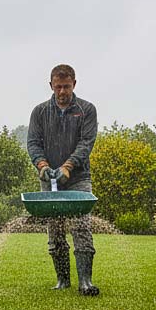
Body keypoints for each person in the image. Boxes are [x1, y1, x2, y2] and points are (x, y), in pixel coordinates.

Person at [26, 63, 99, 295]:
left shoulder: (87, 110)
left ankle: (85, 281)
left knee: (81, 228)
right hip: (50, 180)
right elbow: (33, 143)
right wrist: (42, 165)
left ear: (74, 84)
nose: (62, 92)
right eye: (58, 87)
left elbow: (86, 143)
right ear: (51, 86)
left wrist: (68, 166)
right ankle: (63, 279)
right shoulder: (40, 112)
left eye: (66, 86)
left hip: (78, 178)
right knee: (55, 230)